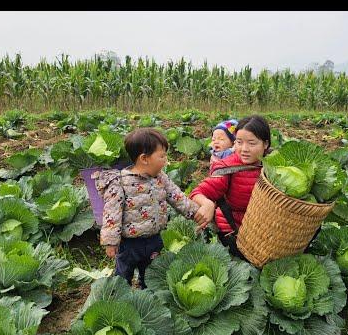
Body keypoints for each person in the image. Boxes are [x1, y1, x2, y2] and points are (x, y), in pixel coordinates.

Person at [93, 128, 199, 288]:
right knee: (123, 275)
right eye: (162, 156)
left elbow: (178, 198)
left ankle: (149, 299)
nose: (166, 160)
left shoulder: (161, 178)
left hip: (154, 239)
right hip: (129, 244)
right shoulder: (120, 183)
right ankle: (119, 298)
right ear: (144, 159)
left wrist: (195, 213)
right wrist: (110, 242)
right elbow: (111, 214)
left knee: (150, 275)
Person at [190, 115, 271, 258]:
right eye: (239, 142)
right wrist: (207, 203)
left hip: (265, 232)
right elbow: (198, 192)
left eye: (251, 143)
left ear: (265, 144)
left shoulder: (273, 166)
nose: (244, 149)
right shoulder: (226, 168)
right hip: (233, 233)